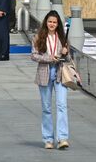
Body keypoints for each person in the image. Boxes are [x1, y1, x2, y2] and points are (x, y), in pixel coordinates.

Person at [31, 10, 70, 150]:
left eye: (54, 22)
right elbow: (34, 56)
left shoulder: (62, 38)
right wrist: (49, 58)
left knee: (62, 105)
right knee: (46, 108)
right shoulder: (39, 37)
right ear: (46, 23)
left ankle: (63, 138)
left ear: (58, 24)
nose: (52, 24)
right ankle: (48, 139)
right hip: (45, 72)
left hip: (60, 73)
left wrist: (66, 53)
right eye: (49, 22)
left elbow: (69, 59)